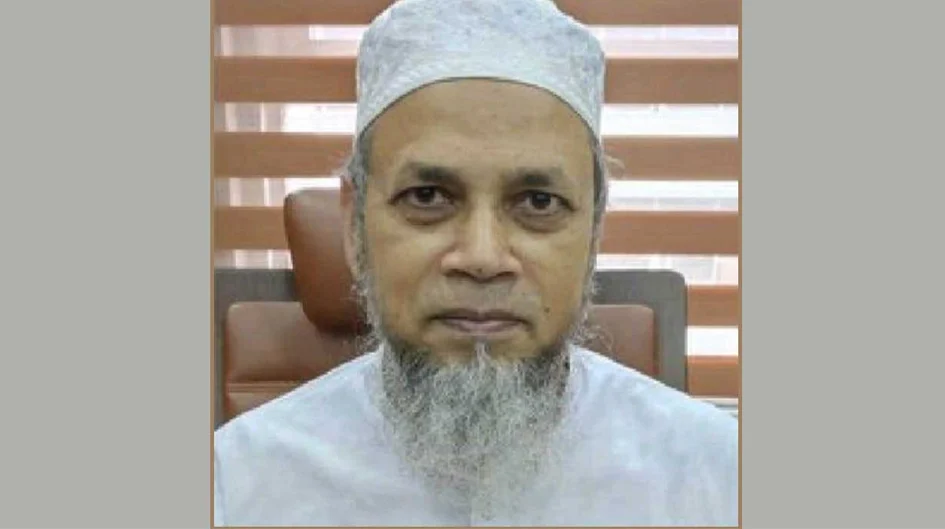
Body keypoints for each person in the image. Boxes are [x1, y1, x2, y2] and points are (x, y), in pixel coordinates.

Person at [213, 0, 739, 525]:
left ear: (595, 230)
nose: (483, 258)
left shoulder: (718, 478)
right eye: (427, 197)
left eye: (538, 202)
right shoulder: (235, 487)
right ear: (354, 225)